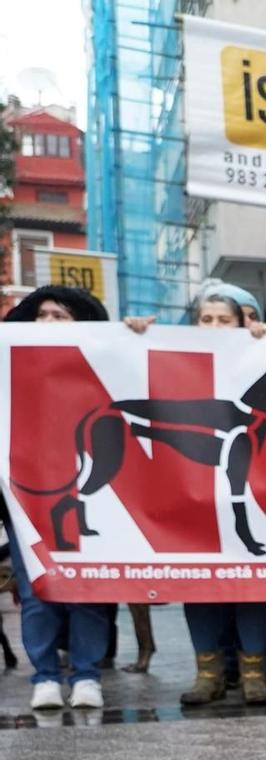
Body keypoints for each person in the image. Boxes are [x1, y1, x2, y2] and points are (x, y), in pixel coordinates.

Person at [2, 285, 119, 710]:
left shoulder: (102, 367)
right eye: (43, 314)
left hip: (91, 494)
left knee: (86, 588)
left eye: (61, 316)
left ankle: (87, 675)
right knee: (37, 591)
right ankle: (46, 676)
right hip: (25, 498)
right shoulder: (8, 366)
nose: (49, 322)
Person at [172, 290, 266, 706]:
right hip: (194, 488)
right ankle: (209, 675)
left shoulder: (257, 355)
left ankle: (254, 675)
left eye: (225, 319)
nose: (216, 328)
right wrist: (135, 335)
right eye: (206, 319)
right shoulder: (178, 358)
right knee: (199, 583)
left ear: (242, 323)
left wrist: (265, 339)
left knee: (254, 583)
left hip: (247, 485)